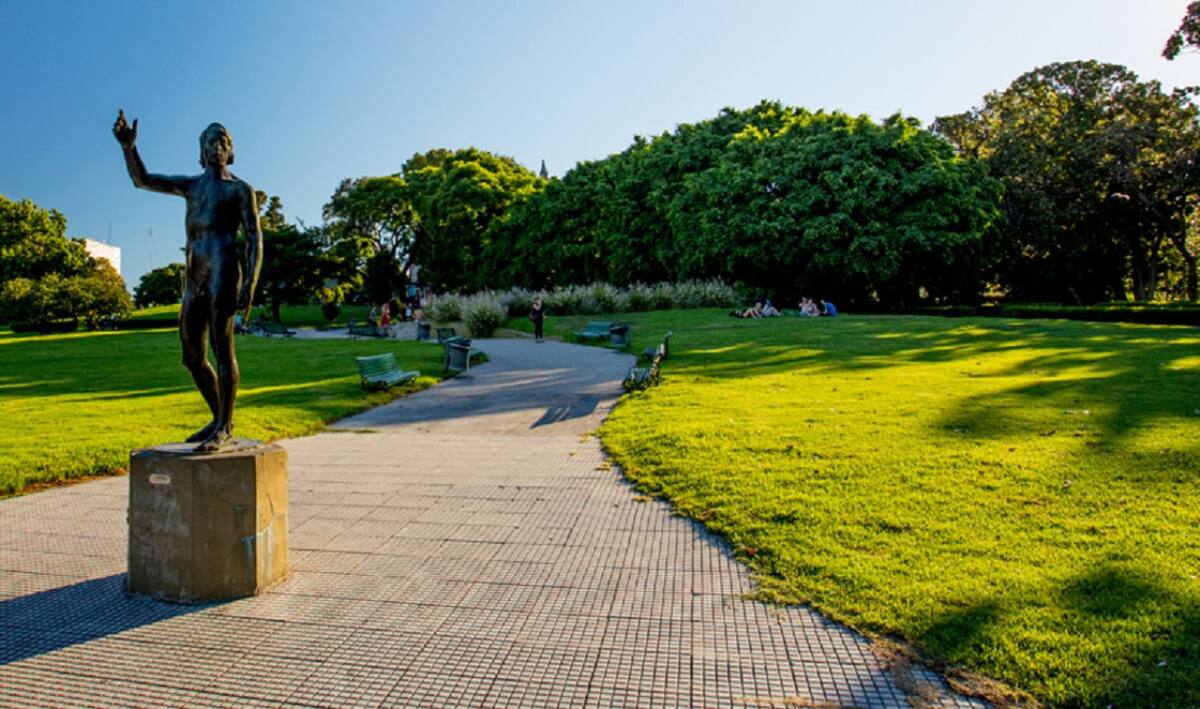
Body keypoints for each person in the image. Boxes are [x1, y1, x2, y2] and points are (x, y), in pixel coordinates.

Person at [114, 110, 261, 452]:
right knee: (192, 356)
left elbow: (254, 237)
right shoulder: (192, 188)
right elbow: (143, 180)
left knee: (222, 350)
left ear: (231, 150)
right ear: (201, 150)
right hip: (194, 278)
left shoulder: (240, 190)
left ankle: (224, 426)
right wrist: (129, 148)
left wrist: (250, 282)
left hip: (224, 273)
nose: (216, 147)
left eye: (222, 141)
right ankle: (218, 418)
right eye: (210, 141)